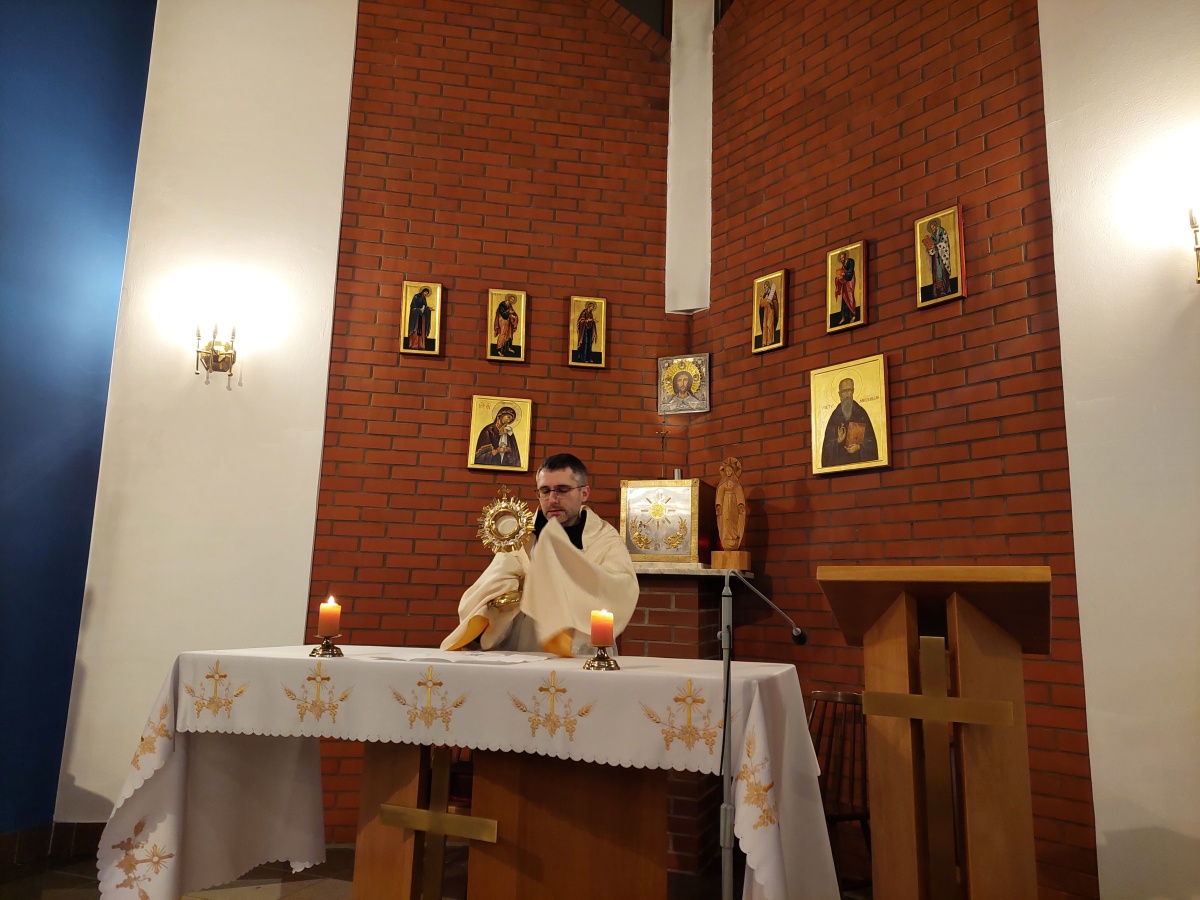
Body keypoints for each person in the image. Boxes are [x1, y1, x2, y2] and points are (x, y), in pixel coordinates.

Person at [441, 453, 639, 656]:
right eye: (545, 491)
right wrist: (507, 595)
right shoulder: (522, 539)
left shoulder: (604, 539)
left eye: (562, 490)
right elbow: (487, 594)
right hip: (526, 650)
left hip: (583, 652)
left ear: (584, 493)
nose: (552, 499)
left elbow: (620, 591)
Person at [821, 378, 879, 467]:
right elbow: (826, 449)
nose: (847, 395)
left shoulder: (861, 414)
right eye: (844, 391)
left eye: (849, 390)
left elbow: (871, 443)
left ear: (853, 391)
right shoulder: (834, 416)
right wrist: (838, 441)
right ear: (839, 394)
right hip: (839, 467)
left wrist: (859, 447)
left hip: (859, 465)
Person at [923, 218, 952, 298]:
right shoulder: (932, 235)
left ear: (936, 225)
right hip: (936, 257)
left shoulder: (942, 231)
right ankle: (937, 290)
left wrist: (935, 245)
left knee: (943, 271)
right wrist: (930, 248)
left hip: (942, 256)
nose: (932, 229)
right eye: (931, 228)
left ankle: (944, 289)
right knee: (936, 272)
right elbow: (931, 248)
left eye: (933, 227)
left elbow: (945, 242)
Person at [833, 251, 858, 325]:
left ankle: (853, 315)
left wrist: (845, 274)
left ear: (845, 256)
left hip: (850, 281)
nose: (842, 260)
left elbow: (851, 271)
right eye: (841, 259)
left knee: (850, 296)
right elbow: (841, 272)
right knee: (844, 298)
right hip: (845, 281)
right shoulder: (843, 264)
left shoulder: (851, 261)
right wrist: (839, 278)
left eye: (843, 258)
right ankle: (843, 317)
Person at [406, 286, 433, 350]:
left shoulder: (424, 299)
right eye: (425, 292)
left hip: (422, 317)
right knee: (415, 330)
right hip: (416, 317)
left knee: (422, 330)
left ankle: (421, 345)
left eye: (427, 293)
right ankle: (414, 345)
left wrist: (428, 308)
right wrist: (419, 309)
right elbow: (413, 306)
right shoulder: (416, 296)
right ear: (423, 291)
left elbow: (424, 307)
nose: (426, 294)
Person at [758, 280, 778, 347]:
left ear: (769, 286)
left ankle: (770, 340)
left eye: (766, 286)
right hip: (765, 310)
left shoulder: (772, 293)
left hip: (770, 310)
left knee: (769, 324)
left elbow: (775, 301)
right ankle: (765, 341)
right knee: (765, 325)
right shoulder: (764, 294)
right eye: (764, 287)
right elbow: (761, 304)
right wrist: (762, 299)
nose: (765, 288)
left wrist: (771, 301)